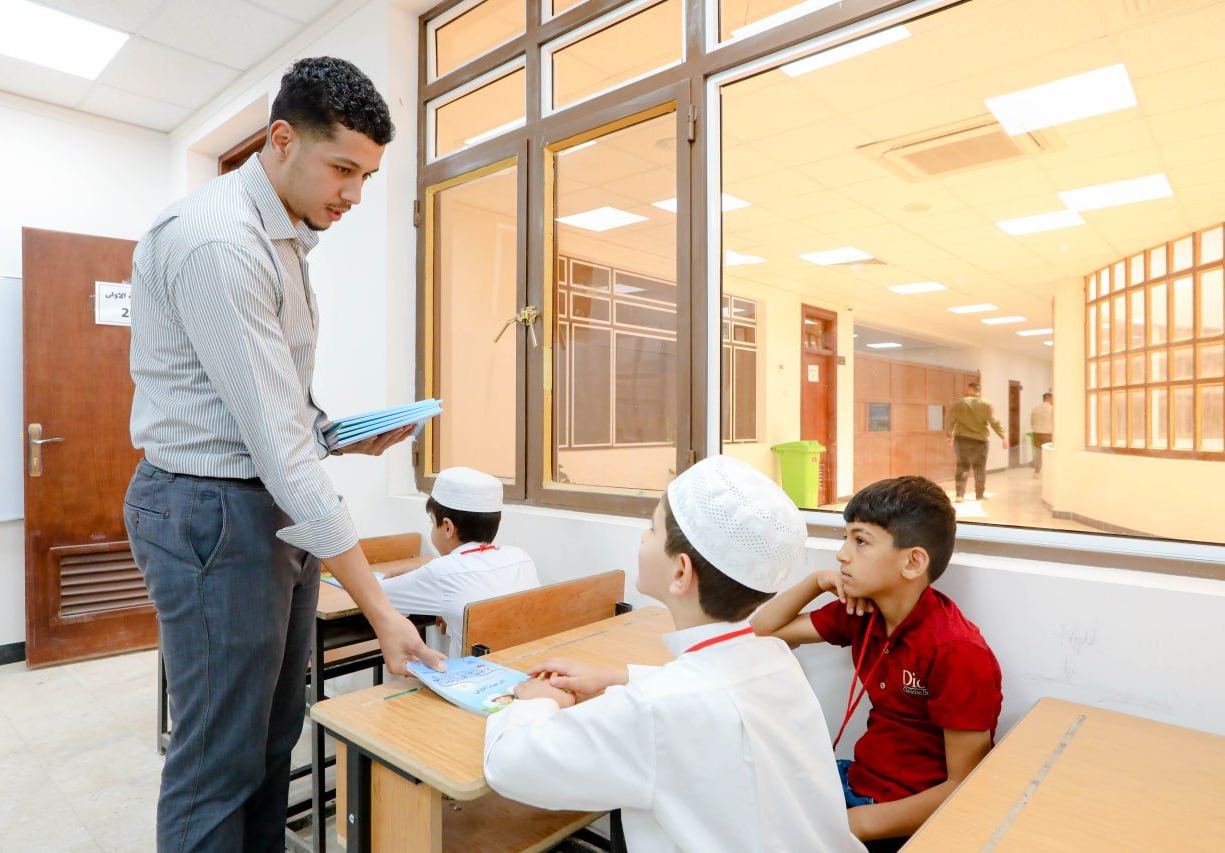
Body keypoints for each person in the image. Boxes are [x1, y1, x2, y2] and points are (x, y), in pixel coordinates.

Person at [124, 57, 444, 852]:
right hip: (211, 508)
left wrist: (332, 432)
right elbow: (274, 447)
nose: (354, 194)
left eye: (366, 176)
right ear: (280, 139)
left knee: (272, 740)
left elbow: (271, 404)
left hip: (261, 504)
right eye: (343, 169)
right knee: (218, 759)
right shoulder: (219, 243)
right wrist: (382, 610)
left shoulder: (286, 236)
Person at [482, 456, 865, 853]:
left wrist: (537, 700)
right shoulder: (775, 658)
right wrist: (615, 677)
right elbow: (714, 691)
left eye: (652, 528)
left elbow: (508, 765)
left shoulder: (656, 709)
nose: (643, 538)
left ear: (681, 572)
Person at [753, 476, 1002, 850]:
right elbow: (762, 632)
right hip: (857, 782)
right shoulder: (862, 613)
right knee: (747, 796)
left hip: (899, 817)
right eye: (845, 538)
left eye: (860, 541)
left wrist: (854, 825)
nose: (842, 555)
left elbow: (965, 787)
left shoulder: (957, 652)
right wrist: (815, 582)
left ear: (913, 562)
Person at [379, 467, 540, 658]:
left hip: (470, 675)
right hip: (523, 668)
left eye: (432, 522)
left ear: (447, 527)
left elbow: (374, 595)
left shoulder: (442, 572)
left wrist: (395, 573)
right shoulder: (520, 557)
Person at [944, 381, 1007, 502]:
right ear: (979, 391)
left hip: (962, 439)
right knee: (980, 468)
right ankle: (979, 494)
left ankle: (959, 495)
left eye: (967, 389)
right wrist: (1003, 436)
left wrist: (949, 435)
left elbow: (950, 420)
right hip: (980, 441)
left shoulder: (959, 403)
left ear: (970, 389)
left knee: (962, 466)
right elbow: (994, 422)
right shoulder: (987, 404)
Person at [1030, 392, 1054, 476]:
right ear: (1049, 398)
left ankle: (1037, 473)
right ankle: (1049, 473)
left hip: (1036, 433)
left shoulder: (1035, 409)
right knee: (1049, 454)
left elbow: (1032, 422)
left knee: (1039, 454)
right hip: (1047, 434)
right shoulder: (1052, 409)